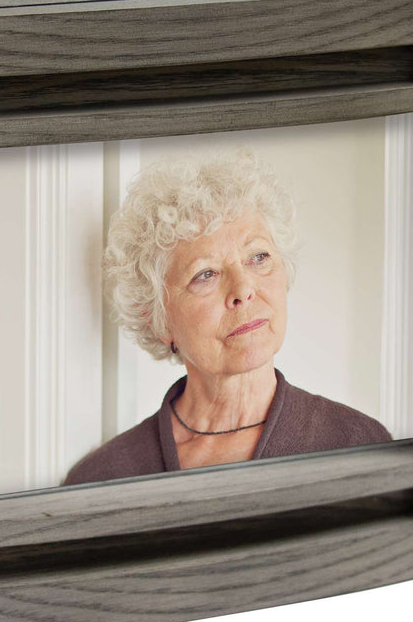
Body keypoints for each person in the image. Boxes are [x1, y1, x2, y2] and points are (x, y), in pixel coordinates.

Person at [62, 149, 390, 486]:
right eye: (205, 274)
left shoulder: (358, 444)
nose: (243, 289)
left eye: (258, 257)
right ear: (158, 320)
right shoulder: (99, 480)